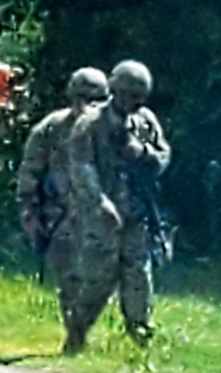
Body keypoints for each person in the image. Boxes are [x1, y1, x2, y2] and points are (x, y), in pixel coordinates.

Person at [69, 59, 171, 352]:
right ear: (114, 90)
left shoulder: (145, 122)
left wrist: (142, 153)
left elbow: (163, 159)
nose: (131, 102)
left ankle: (140, 335)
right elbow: (81, 166)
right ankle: (78, 330)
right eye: (126, 95)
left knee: (138, 274)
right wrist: (100, 202)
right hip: (101, 216)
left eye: (137, 98)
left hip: (137, 214)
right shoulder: (90, 123)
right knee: (98, 278)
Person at [16, 67, 110, 355]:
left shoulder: (113, 129)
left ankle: (84, 327)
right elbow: (30, 173)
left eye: (95, 98)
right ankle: (75, 336)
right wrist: (30, 214)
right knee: (69, 279)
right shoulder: (50, 129)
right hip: (61, 217)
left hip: (103, 217)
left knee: (102, 278)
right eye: (83, 97)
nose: (88, 104)